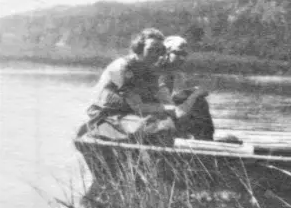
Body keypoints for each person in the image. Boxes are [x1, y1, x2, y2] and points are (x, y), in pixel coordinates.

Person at [77, 28, 207, 145]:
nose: (156, 55)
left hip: (128, 115)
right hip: (106, 117)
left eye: (159, 51)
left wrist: (175, 106)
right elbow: (137, 106)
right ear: (139, 48)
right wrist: (167, 109)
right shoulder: (120, 68)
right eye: (151, 50)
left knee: (166, 125)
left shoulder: (149, 70)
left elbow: (163, 99)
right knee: (159, 127)